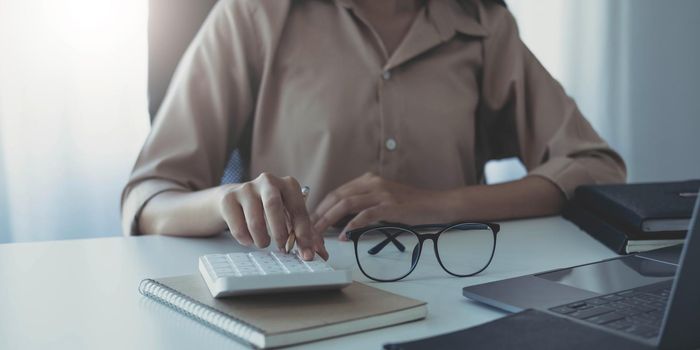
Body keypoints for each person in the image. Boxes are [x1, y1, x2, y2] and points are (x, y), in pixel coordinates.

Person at [121, 0, 626, 261]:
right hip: (302, 299)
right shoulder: (255, 15)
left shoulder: (482, 25)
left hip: (454, 293)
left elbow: (596, 167)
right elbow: (148, 198)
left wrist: (438, 205)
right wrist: (227, 201)